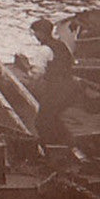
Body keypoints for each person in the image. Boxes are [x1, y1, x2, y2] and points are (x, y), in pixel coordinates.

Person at [29, 18, 76, 147]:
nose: (35, 37)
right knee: (54, 117)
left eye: (35, 33)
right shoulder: (62, 45)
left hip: (56, 89)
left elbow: (37, 73)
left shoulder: (44, 50)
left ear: (41, 33)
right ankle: (68, 143)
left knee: (41, 122)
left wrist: (30, 76)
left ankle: (50, 147)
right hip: (70, 87)